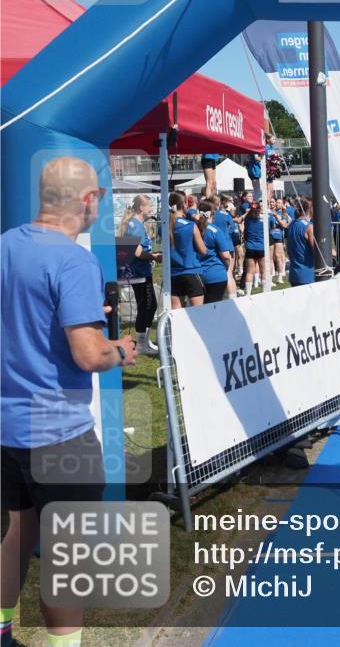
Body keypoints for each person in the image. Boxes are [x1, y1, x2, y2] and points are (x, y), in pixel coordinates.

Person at [2, 157, 137, 647]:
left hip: (7, 429)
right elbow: (88, 355)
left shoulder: (4, 246)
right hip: (57, 431)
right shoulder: (75, 258)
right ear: (89, 199)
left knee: (14, 535)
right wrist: (120, 349)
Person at [118, 194, 161, 355]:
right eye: (149, 205)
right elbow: (137, 252)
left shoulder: (137, 224)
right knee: (148, 306)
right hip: (139, 273)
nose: (152, 208)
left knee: (148, 306)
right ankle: (142, 343)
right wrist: (154, 256)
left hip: (141, 271)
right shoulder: (135, 226)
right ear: (141, 207)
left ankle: (144, 341)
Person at [168, 191, 207, 309]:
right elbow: (203, 250)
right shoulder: (190, 225)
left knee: (176, 312)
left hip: (174, 272)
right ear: (184, 204)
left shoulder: (165, 226)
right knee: (198, 312)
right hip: (191, 270)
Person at [286, 198, 316, 287]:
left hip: (294, 273)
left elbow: (288, 248)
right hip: (307, 274)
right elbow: (318, 251)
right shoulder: (309, 227)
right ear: (310, 209)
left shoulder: (291, 224)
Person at [242, 202, 267, 295]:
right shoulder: (265, 220)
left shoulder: (247, 220)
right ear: (260, 210)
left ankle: (248, 293)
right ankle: (264, 291)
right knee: (263, 271)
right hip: (261, 248)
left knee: (249, 272)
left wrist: (248, 212)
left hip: (250, 247)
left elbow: (242, 218)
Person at [268, 199, 289, 284]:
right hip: (270, 236)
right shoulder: (269, 212)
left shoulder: (284, 213)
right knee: (270, 257)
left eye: (279, 203)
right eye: (277, 202)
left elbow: (284, 225)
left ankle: (280, 276)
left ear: (283, 204)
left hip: (278, 237)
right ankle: (270, 276)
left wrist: (276, 216)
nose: (277, 204)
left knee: (278, 256)